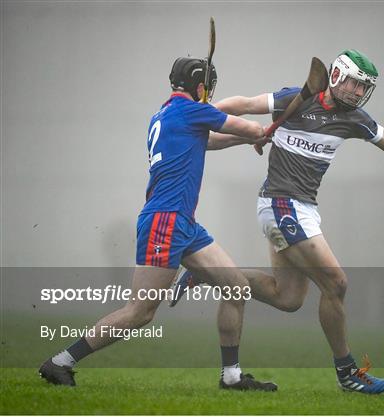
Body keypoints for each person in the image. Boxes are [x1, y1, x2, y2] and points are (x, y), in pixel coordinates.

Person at [172, 49, 384, 394]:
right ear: (336, 76)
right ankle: (347, 373)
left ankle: (209, 273)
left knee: (287, 298)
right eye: (355, 84)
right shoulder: (296, 99)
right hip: (280, 203)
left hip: (304, 209)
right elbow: (244, 103)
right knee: (336, 283)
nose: (359, 93)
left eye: (364, 88)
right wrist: (199, 112)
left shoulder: (355, 119)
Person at [38, 57, 277, 391]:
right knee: (141, 311)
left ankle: (232, 377)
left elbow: (210, 141)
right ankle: (61, 361)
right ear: (200, 87)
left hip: (183, 224)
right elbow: (249, 127)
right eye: (208, 89)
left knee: (235, 287)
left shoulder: (165, 115)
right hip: (165, 222)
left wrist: (248, 138)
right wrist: (263, 131)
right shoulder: (193, 111)